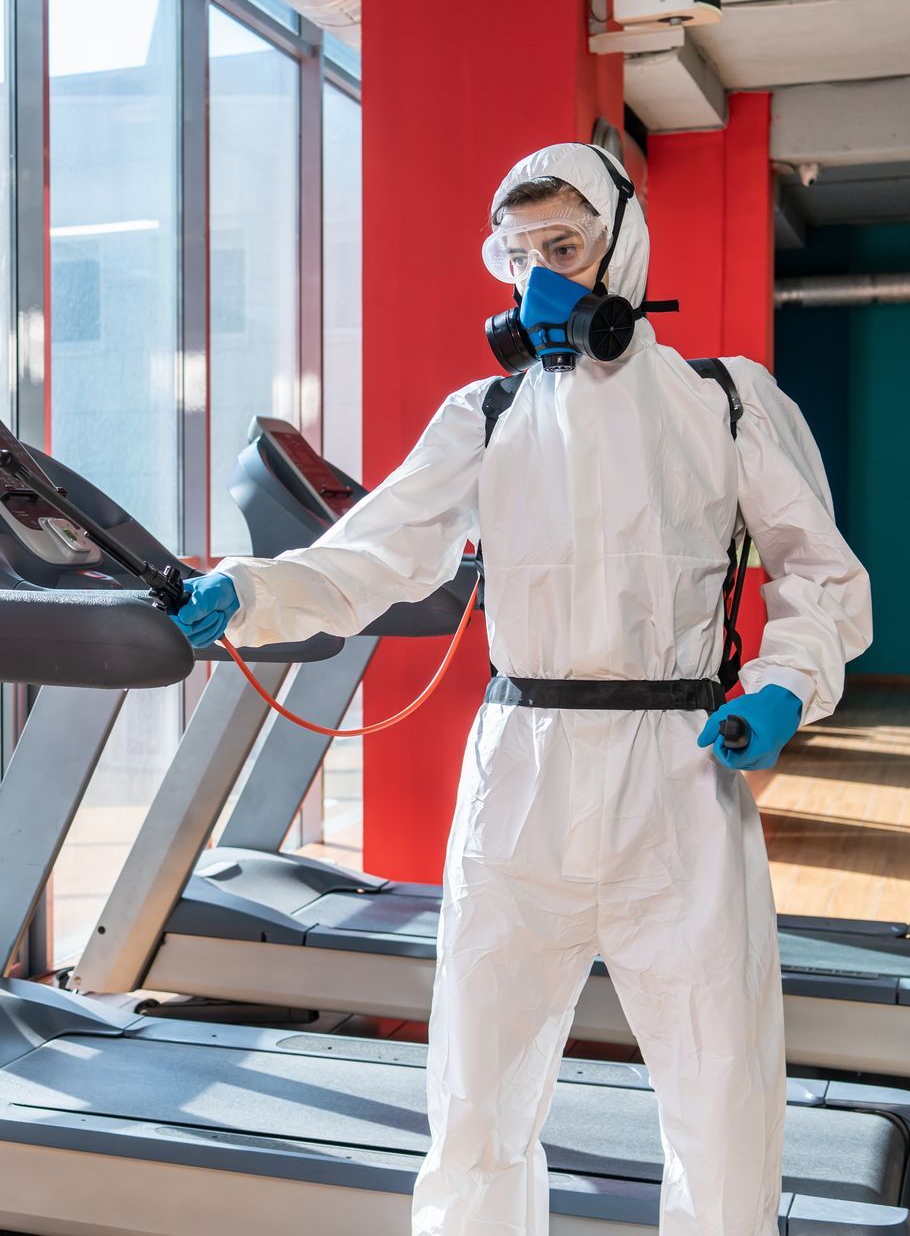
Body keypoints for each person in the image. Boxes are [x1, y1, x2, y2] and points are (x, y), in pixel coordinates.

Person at [170, 142, 871, 1235]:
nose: (542, 277)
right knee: (475, 1096)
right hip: (522, 774)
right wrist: (249, 589)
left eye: (566, 247)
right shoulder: (485, 414)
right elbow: (373, 556)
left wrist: (783, 685)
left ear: (621, 251)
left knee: (722, 1090)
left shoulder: (725, 402)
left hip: (679, 775)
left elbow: (821, 572)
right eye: (520, 254)